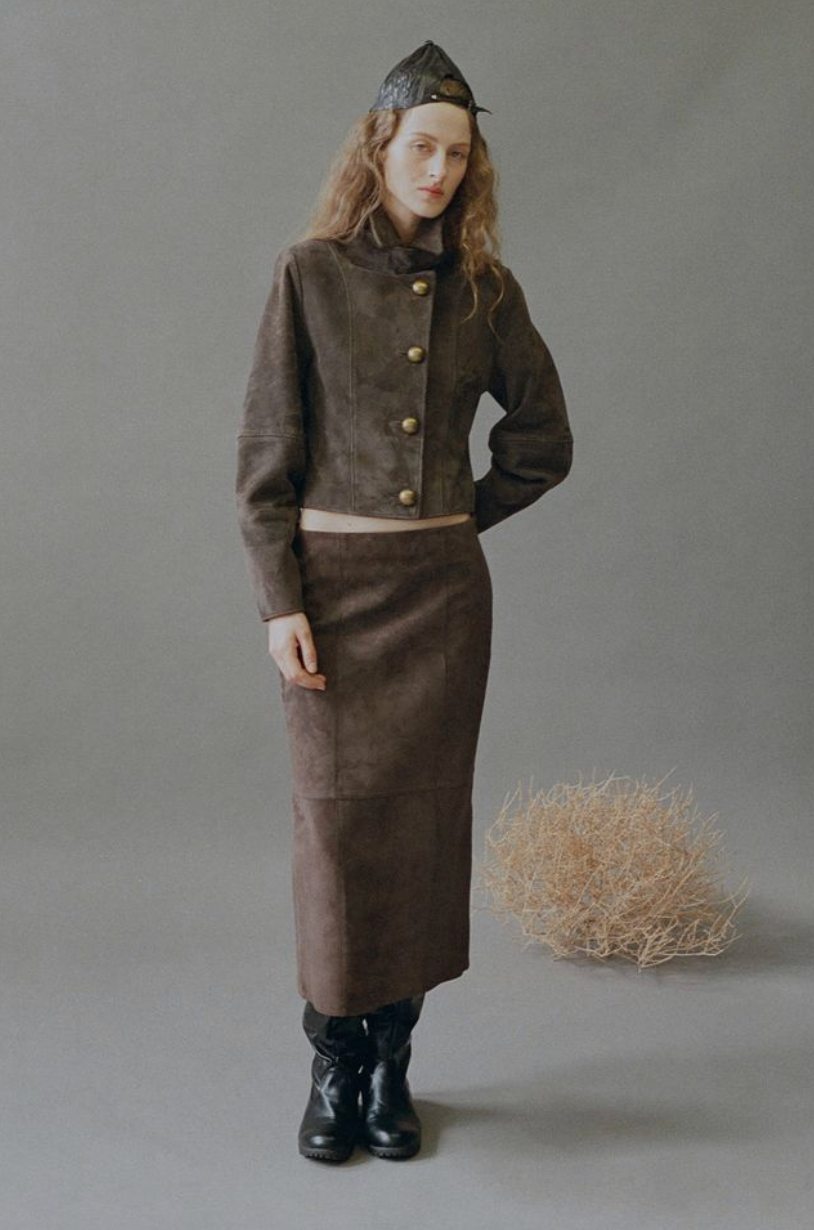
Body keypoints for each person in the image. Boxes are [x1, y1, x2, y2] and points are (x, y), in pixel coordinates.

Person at [235, 40, 574, 1163]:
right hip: (331, 600)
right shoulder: (308, 274)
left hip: (440, 603)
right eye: (421, 148)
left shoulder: (486, 290)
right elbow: (265, 461)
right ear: (378, 149)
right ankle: (333, 1061)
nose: (438, 171)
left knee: (422, 831)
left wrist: (453, 522)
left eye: (457, 155)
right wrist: (280, 601)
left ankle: (393, 1063)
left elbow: (543, 441)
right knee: (337, 833)